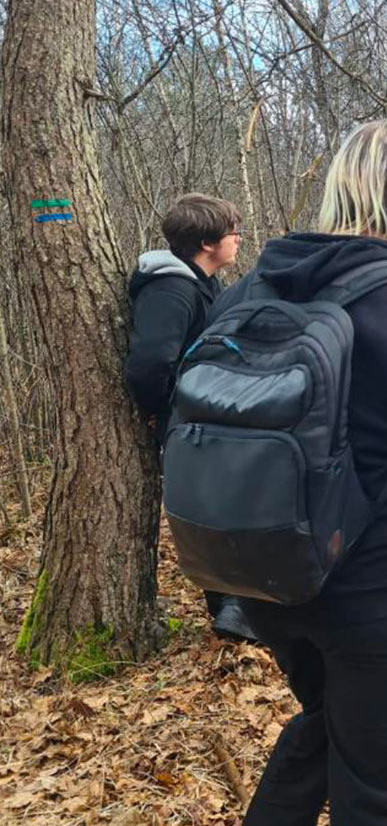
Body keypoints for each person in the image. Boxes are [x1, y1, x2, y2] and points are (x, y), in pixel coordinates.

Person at [218, 120, 387, 825]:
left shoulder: (249, 294)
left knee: (327, 724)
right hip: (384, 599)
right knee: (376, 792)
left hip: (267, 582)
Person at [124, 192, 255, 644]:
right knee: (211, 512)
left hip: (208, 418)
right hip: (187, 423)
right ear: (206, 242)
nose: (239, 239)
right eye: (231, 233)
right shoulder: (172, 290)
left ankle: (240, 607)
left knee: (232, 503)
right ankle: (231, 613)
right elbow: (149, 364)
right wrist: (161, 413)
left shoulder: (202, 284)